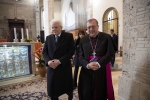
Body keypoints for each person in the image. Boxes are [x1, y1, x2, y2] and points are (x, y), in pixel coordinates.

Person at [77, 18, 117, 100]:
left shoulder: (106, 37)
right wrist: (87, 65)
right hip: (87, 70)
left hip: (102, 69)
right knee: (86, 92)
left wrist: (99, 64)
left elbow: (110, 53)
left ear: (98, 26)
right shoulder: (83, 40)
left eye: (93, 26)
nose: (91, 29)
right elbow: (80, 56)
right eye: (88, 27)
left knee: (100, 91)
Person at [42, 19, 75, 100]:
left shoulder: (68, 36)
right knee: (52, 90)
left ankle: (70, 96)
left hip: (63, 67)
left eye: (56, 27)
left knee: (67, 88)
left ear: (61, 27)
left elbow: (71, 51)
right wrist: (48, 61)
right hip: (52, 67)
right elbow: (44, 52)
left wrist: (59, 61)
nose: (54, 29)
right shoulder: (48, 38)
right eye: (52, 27)